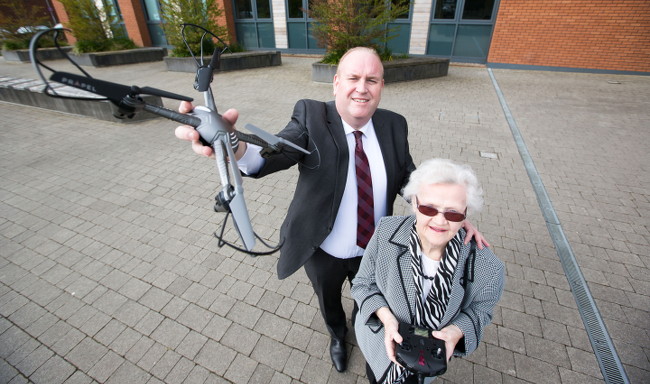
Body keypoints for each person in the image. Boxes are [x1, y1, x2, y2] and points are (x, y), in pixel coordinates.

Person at [175, 47, 488, 373]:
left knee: (372, 300)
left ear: (382, 85)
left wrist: (447, 216)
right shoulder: (312, 116)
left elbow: (410, 181)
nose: (362, 88)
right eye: (353, 78)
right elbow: (273, 153)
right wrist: (229, 141)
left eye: (372, 80)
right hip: (322, 249)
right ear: (336, 82)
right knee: (329, 301)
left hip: (375, 250)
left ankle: (368, 334)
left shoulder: (394, 125)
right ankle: (338, 336)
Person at [351, 158, 504, 384]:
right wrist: (386, 318)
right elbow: (363, 283)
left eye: (452, 213)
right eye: (429, 208)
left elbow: (481, 310)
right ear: (414, 203)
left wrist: (456, 331)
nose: (440, 221)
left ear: (465, 214)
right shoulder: (386, 232)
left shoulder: (487, 266)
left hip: (431, 360)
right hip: (380, 345)